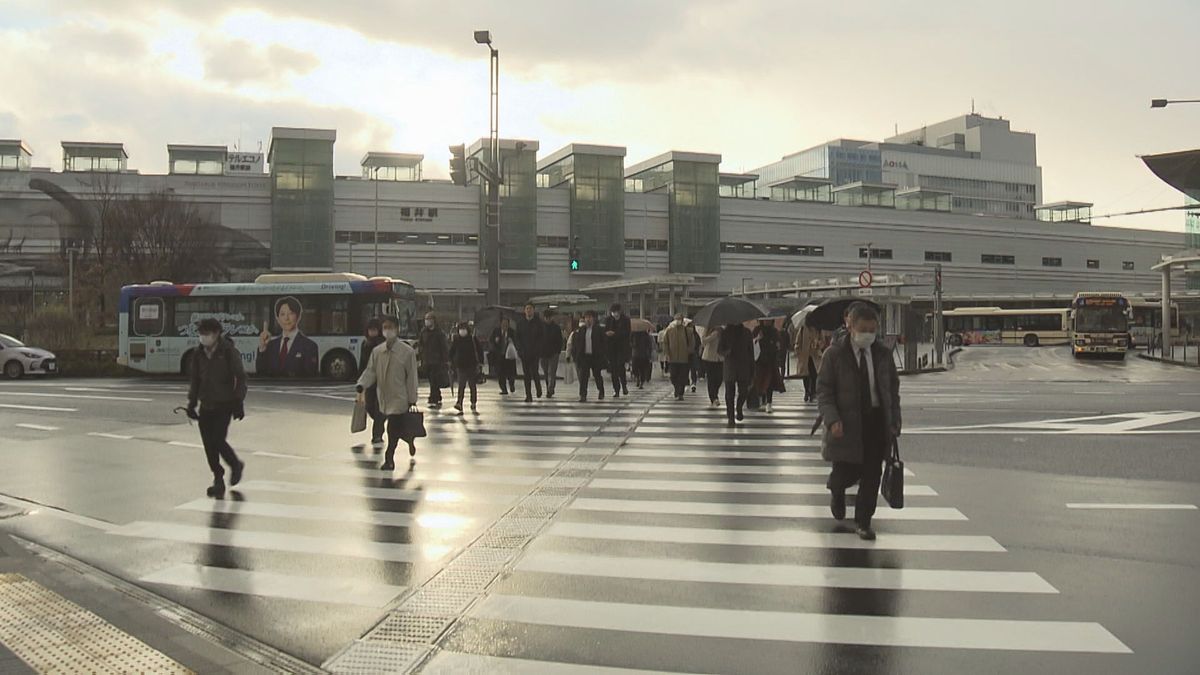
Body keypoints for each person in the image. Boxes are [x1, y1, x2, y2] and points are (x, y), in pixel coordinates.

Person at [818, 302, 902, 541]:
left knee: (872, 473)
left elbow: (892, 391)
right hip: (845, 423)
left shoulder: (883, 354)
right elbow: (824, 391)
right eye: (863, 329)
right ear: (850, 326)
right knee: (845, 472)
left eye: (872, 329)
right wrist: (832, 419)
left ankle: (863, 521)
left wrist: (894, 421)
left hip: (876, 421)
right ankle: (837, 490)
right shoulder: (834, 355)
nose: (868, 334)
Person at [186, 318, 247, 498]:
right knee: (208, 445)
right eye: (201, 334)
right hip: (206, 405)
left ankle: (235, 464)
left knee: (218, 440)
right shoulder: (198, 354)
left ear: (216, 334)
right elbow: (195, 380)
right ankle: (218, 479)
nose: (203, 337)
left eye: (206, 333)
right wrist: (191, 403)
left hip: (224, 404)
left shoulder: (228, 352)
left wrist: (238, 401)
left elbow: (240, 377)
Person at [356, 316, 420, 470]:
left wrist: (412, 398)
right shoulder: (378, 352)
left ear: (397, 329)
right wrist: (362, 384)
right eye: (385, 327)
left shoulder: (406, 352)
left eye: (390, 327)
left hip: (400, 397)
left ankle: (389, 458)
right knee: (396, 426)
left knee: (392, 427)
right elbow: (371, 371)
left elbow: (412, 377)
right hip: (382, 396)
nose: (387, 330)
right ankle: (409, 438)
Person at [256, 296, 319, 377]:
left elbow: (310, 376)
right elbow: (261, 374)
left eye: (291, 313)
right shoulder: (270, 346)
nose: (286, 318)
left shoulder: (310, 346)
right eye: (282, 314)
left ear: (298, 316)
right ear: (277, 319)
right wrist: (262, 348)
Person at [719, 321, 754, 427]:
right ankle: (730, 417)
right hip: (730, 366)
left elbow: (751, 352)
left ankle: (739, 408)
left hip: (744, 366)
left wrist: (752, 370)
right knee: (730, 394)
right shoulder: (725, 332)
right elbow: (720, 349)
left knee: (743, 392)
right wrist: (727, 352)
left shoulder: (747, 333)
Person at [359, 318, 386, 446]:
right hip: (370, 380)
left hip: (382, 380)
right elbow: (363, 363)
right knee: (369, 406)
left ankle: (377, 434)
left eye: (374, 330)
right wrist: (360, 380)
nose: (372, 332)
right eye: (370, 330)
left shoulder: (383, 344)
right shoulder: (365, 344)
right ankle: (380, 422)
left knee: (378, 407)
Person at [448, 321, 483, 413]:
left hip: (471, 365)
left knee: (472, 385)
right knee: (461, 385)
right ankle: (459, 403)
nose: (462, 331)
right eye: (460, 329)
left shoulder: (472, 339)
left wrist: (480, 363)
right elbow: (452, 351)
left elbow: (479, 350)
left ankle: (473, 401)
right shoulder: (457, 339)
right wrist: (450, 361)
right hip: (460, 366)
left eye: (463, 329)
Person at [572, 310, 606, 401]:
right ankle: (583, 395)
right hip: (584, 356)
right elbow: (577, 344)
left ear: (594, 319)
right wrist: (576, 356)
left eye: (590, 317)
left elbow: (603, 343)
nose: (588, 320)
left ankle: (601, 391)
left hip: (595, 356)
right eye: (586, 318)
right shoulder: (581, 330)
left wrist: (602, 355)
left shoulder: (599, 329)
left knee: (597, 375)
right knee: (583, 376)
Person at [417, 312, 449, 408]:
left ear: (433, 320)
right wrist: (420, 356)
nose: (427, 321)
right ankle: (437, 396)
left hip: (437, 360)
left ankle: (433, 397)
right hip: (427, 360)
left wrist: (445, 359)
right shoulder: (423, 332)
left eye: (429, 319)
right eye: (426, 319)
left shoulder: (439, 333)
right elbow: (421, 344)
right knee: (432, 379)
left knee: (434, 379)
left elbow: (444, 347)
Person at [515, 303, 545, 402]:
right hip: (524, 353)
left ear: (533, 310)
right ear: (524, 311)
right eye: (527, 308)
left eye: (530, 309)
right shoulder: (520, 324)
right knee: (526, 375)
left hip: (535, 353)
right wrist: (520, 350)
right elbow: (517, 339)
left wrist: (538, 350)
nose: (528, 310)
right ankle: (528, 395)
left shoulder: (538, 323)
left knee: (535, 372)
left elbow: (541, 338)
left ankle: (538, 388)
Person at [660, 314, 693, 400]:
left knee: (682, 377)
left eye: (679, 319)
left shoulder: (688, 331)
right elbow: (665, 342)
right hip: (672, 358)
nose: (678, 321)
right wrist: (667, 353)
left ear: (682, 321)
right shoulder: (670, 331)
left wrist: (688, 351)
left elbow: (692, 343)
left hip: (684, 359)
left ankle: (680, 393)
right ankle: (676, 388)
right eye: (676, 319)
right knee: (673, 376)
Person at [752, 319, 781, 413]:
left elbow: (779, 344)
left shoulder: (774, 331)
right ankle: (761, 398)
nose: (766, 321)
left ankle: (769, 402)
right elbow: (752, 343)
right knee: (759, 380)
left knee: (769, 382)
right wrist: (758, 338)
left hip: (770, 360)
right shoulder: (757, 330)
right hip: (759, 360)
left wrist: (777, 346)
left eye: (768, 320)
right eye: (765, 320)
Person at [604, 303, 632, 397]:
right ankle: (616, 389)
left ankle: (624, 386)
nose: (615, 314)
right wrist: (607, 334)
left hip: (622, 348)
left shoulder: (625, 320)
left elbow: (627, 333)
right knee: (613, 371)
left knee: (620, 368)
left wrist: (615, 334)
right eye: (613, 312)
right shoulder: (608, 320)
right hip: (611, 348)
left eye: (616, 311)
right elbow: (605, 332)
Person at [795, 321, 823, 403]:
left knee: (814, 374)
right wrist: (799, 352)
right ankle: (807, 391)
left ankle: (813, 393)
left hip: (814, 355)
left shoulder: (818, 329)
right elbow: (798, 341)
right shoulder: (803, 329)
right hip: (805, 356)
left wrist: (818, 344)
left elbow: (822, 340)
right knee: (805, 375)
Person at [539, 309, 563, 398]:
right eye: (546, 318)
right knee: (546, 372)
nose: (548, 319)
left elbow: (560, 340)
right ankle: (549, 387)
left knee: (552, 372)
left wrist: (558, 351)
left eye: (549, 317)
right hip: (543, 353)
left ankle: (550, 389)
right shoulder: (540, 327)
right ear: (544, 318)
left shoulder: (556, 327)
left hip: (554, 353)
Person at [490, 317, 517, 394]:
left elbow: (517, 341)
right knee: (500, 374)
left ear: (508, 324)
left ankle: (512, 385)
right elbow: (491, 341)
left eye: (506, 324)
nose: (504, 325)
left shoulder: (512, 332)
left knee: (511, 373)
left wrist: (512, 341)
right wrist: (495, 341)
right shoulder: (496, 331)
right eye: (503, 323)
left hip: (509, 356)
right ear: (500, 324)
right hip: (499, 356)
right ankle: (503, 389)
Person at [699, 325, 724, 407]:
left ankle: (715, 394)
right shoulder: (707, 329)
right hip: (709, 357)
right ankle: (713, 398)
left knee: (719, 378)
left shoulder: (722, 330)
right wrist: (713, 335)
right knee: (711, 378)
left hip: (720, 358)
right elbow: (703, 341)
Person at [688, 322, 702, 393]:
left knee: (693, 369)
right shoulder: (686, 335)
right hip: (687, 354)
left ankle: (693, 383)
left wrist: (699, 351)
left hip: (694, 354)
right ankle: (688, 382)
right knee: (687, 369)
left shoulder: (696, 335)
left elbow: (699, 344)